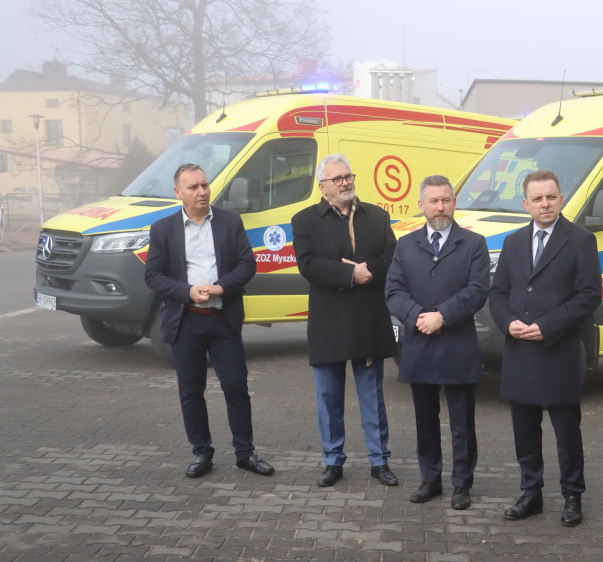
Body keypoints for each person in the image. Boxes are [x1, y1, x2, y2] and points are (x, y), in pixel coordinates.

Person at [144, 163, 274, 479]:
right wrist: (187, 292)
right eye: (193, 187)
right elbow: (153, 275)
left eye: (204, 185)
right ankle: (202, 453)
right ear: (178, 193)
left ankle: (245, 453)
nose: (201, 192)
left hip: (223, 320)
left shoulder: (230, 222)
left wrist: (221, 287)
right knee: (191, 391)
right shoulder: (162, 229)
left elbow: (247, 264)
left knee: (236, 387)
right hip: (186, 321)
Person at [489, 170, 602, 527]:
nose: (545, 204)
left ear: (561, 199)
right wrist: (507, 322)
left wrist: (548, 326)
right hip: (520, 351)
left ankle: (573, 495)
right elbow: (498, 292)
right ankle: (531, 492)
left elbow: (589, 295)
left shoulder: (581, 240)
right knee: (524, 429)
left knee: (567, 431)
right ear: (526, 204)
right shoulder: (513, 242)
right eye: (537, 199)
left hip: (559, 351)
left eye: (551, 197)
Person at [292, 154, 398, 488]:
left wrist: (368, 271)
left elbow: (392, 258)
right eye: (337, 179)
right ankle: (333, 461)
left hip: (368, 319)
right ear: (322, 186)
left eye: (348, 176)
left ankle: (379, 461)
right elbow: (309, 265)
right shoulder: (304, 220)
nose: (345, 183)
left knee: (372, 396)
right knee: (328, 397)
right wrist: (350, 274)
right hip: (329, 322)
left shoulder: (377, 216)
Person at [385, 175, 490, 509]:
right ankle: (430, 479)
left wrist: (442, 316)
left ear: (454, 203)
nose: (440, 207)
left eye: (446, 200)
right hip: (420, 345)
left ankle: (462, 484)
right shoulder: (405, 245)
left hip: (458, 345)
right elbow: (393, 291)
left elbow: (477, 290)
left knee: (462, 423)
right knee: (425, 420)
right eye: (433, 201)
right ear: (421, 205)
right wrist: (418, 316)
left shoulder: (474, 243)